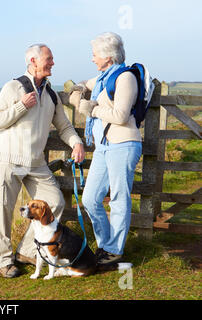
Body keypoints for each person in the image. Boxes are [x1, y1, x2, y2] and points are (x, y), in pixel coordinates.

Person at [0, 44, 85, 278]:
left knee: (54, 203)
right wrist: (22, 105)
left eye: (52, 58)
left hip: (36, 162)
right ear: (33, 60)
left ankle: (25, 252)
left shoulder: (51, 94)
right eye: (49, 59)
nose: (53, 62)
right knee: (3, 209)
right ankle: (4, 261)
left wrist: (76, 143)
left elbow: (63, 126)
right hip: (9, 160)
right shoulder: (13, 87)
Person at [69, 32, 142, 266]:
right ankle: (105, 244)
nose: (92, 59)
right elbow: (82, 84)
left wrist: (91, 109)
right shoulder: (102, 78)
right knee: (90, 198)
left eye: (94, 55)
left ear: (108, 57)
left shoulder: (125, 78)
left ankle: (114, 251)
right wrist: (77, 90)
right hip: (103, 146)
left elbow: (120, 116)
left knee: (119, 198)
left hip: (124, 143)